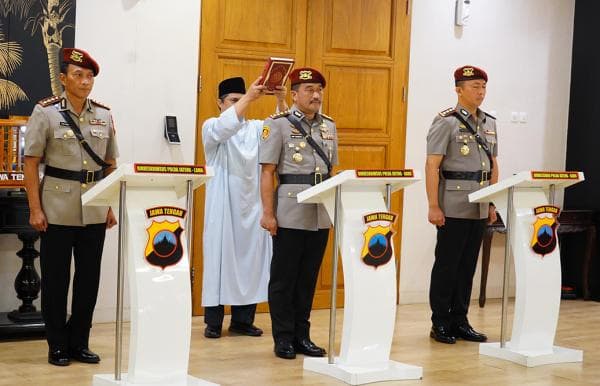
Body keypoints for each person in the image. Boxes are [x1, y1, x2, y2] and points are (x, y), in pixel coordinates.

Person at [23, 48, 119, 366]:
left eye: (90, 76)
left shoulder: (104, 115)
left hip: (94, 207)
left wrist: (110, 204)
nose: (85, 81)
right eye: (78, 75)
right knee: (55, 280)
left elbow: (109, 164)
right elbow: (32, 162)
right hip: (57, 207)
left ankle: (80, 342)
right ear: (63, 79)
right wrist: (35, 209)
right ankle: (57, 345)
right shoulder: (45, 113)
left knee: (88, 280)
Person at [259, 67, 338, 359]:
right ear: (294, 95)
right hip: (289, 210)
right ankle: (283, 338)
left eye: (319, 89)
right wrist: (268, 213)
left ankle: (302, 335)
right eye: (309, 89)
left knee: (308, 279)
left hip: (319, 213)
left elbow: (333, 171)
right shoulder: (277, 125)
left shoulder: (329, 126)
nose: (316, 94)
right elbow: (267, 172)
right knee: (284, 278)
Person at [201, 76, 287, 338]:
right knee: (219, 260)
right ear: (219, 103)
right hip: (223, 209)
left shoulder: (255, 129)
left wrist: (281, 99)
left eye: (241, 100)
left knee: (251, 260)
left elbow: (279, 130)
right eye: (233, 100)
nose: (239, 104)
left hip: (253, 208)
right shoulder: (212, 126)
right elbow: (224, 128)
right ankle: (213, 322)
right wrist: (250, 96)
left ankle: (242, 320)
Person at [425, 65, 499, 344]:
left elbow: (493, 165)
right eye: (474, 87)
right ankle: (440, 322)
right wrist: (434, 205)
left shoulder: (490, 122)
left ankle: (460, 319)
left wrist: (491, 202)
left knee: (467, 266)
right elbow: (432, 166)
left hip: (479, 204)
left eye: (483, 87)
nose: (480, 92)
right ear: (459, 89)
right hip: (453, 203)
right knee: (447, 265)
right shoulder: (446, 121)